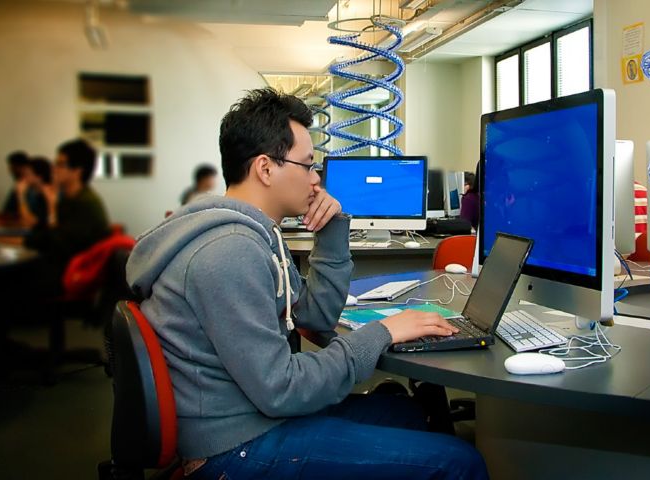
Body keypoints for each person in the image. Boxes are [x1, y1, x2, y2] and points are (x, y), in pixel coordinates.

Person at [126, 88, 488, 479]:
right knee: (460, 462)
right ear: (266, 169)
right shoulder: (229, 251)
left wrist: (331, 231)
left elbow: (314, 315)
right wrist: (381, 331)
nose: (317, 180)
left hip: (252, 415)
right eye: (308, 165)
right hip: (233, 449)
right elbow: (282, 389)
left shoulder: (253, 236)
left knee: (405, 410)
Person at [23, 139, 111, 295]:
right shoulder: (69, 198)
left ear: (77, 171)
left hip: (73, 273)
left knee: (9, 280)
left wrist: (51, 207)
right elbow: (44, 232)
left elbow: (54, 243)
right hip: (62, 266)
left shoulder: (85, 203)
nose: (54, 169)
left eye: (60, 164)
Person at [16, 156, 52, 228]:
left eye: (27, 174)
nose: (23, 177)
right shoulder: (34, 193)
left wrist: (20, 196)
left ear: (39, 177)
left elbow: (30, 222)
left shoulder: (48, 194)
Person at [0, 150, 32, 218]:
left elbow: (28, 217)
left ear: (22, 167)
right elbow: (7, 211)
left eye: (12, 167)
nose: (9, 170)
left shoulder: (31, 188)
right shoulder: (18, 185)